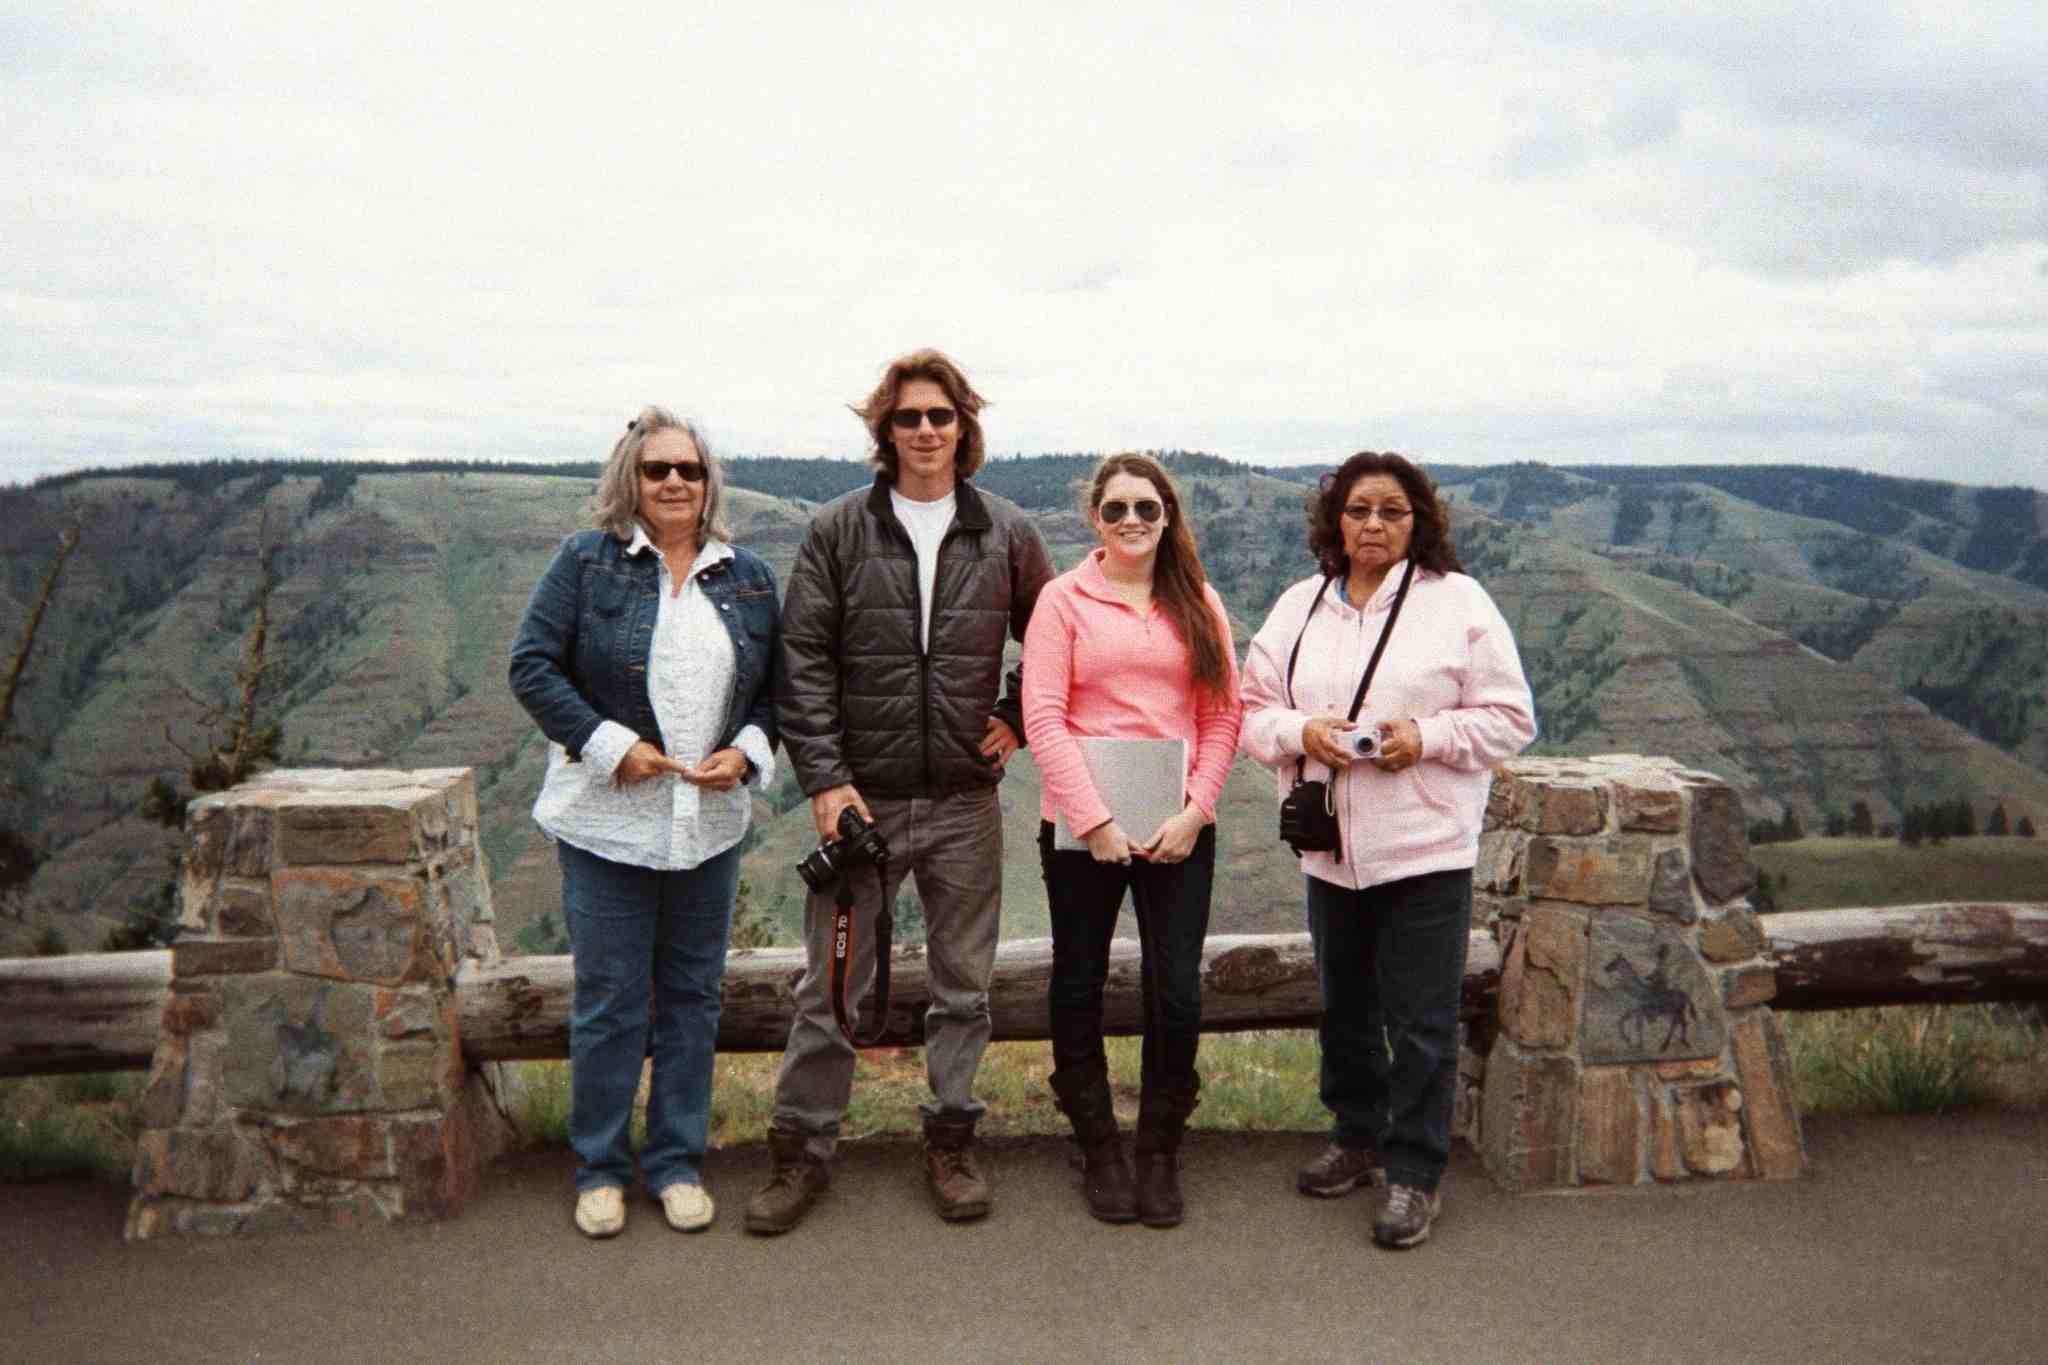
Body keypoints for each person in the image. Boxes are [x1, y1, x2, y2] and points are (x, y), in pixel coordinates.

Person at [745, 348, 1054, 1233]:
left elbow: (1059, 642)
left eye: (941, 416)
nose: (925, 430)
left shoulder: (1008, 532)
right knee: (831, 987)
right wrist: (827, 779)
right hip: (863, 804)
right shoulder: (838, 529)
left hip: (963, 800)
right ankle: (800, 1153)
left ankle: (952, 1142)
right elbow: (800, 656)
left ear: (965, 427)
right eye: (908, 417)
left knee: (965, 986)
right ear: (886, 430)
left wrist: (1016, 717)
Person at [1240, 451, 1534, 1250]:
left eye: (1392, 511)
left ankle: (1415, 1170)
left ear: (1419, 521)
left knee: (1423, 1018)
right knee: (1346, 1006)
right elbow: (1250, 711)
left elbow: (1511, 717)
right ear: (1335, 518)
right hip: (1331, 847)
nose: (1374, 524)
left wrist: (1425, 736)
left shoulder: (1458, 603)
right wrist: (1303, 732)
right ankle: (1358, 1134)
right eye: (1360, 509)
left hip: (1425, 847)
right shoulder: (1300, 607)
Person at [508, 407, 781, 1239]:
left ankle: (674, 1161)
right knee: (612, 999)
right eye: (657, 468)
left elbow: (777, 688)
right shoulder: (586, 563)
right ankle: (599, 1166)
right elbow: (531, 664)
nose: (673, 482)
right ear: (631, 476)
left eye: (688, 471)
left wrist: (748, 749)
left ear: (709, 485)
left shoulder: (748, 577)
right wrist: (608, 743)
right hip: (607, 822)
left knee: (694, 999)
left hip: (706, 820)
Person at [1021, 453, 1241, 1227]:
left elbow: (1222, 716)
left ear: (1168, 516)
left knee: (1175, 989)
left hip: (1177, 820)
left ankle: (1158, 1148)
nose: (1131, 522)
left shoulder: (1198, 601)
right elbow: (1043, 715)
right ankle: (1098, 1144)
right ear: (1095, 519)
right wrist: (1095, 820)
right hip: (1084, 823)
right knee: (1077, 982)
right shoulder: (1062, 601)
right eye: (1116, 509)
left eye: (1146, 509)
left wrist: (1197, 809)